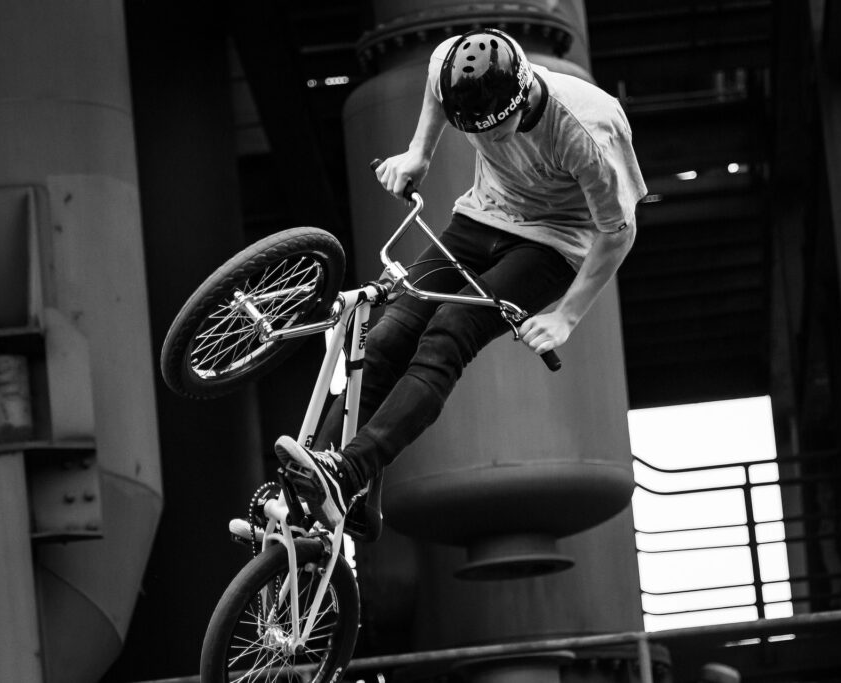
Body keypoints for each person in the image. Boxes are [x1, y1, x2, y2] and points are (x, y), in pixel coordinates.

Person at [275, 27, 646, 529]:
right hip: (480, 217)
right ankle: (313, 483)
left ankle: (349, 471)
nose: (488, 139)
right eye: (476, 130)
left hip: (554, 246)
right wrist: (418, 154)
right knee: (386, 337)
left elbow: (619, 232)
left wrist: (566, 315)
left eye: (497, 129)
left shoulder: (587, 128)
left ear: (522, 96)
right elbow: (434, 84)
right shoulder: (453, 67)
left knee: (449, 333)